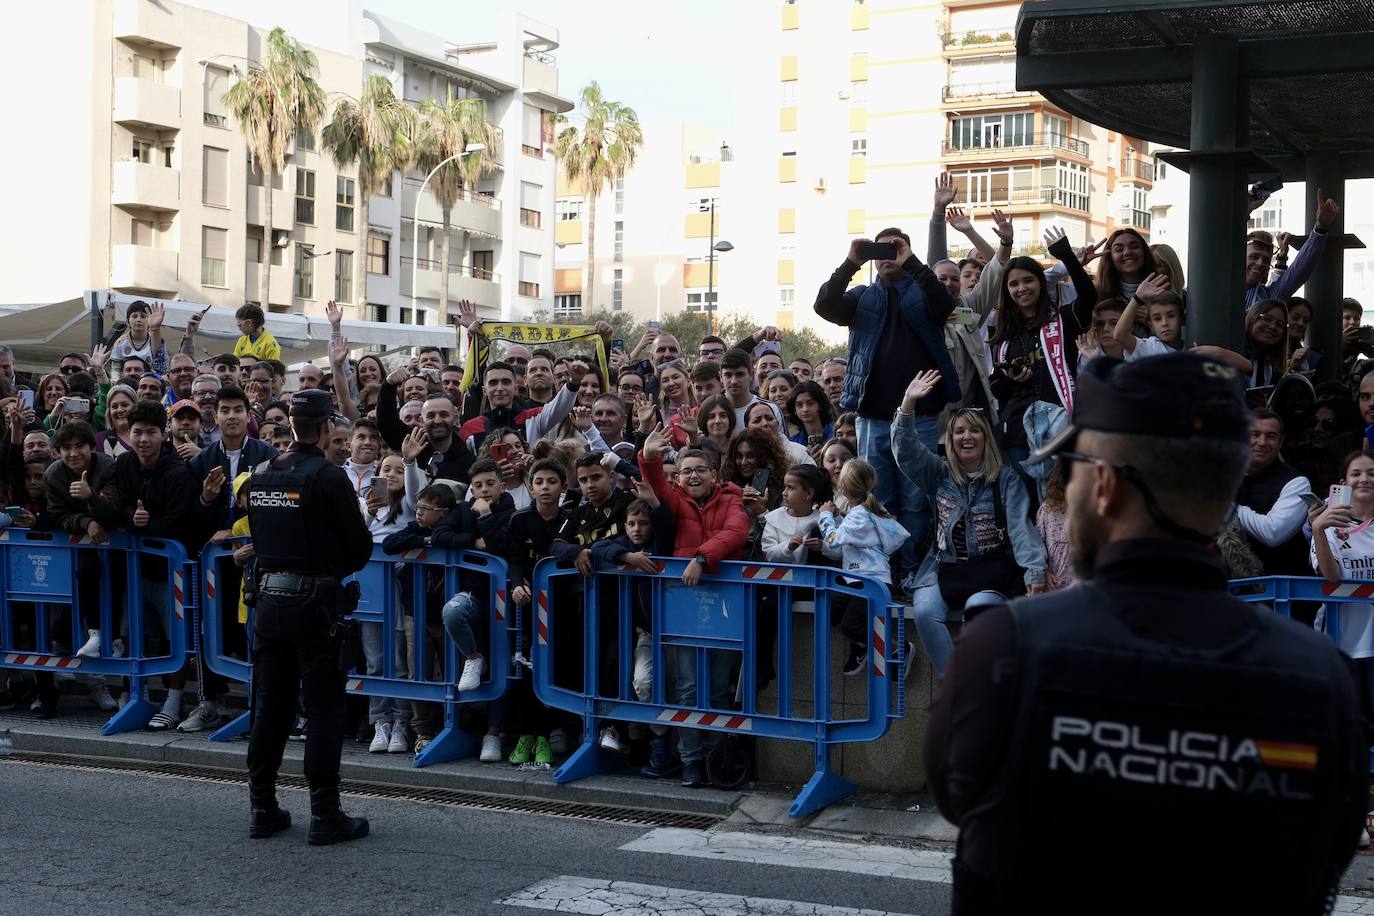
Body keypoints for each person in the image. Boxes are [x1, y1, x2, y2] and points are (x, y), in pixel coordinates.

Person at [925, 352, 1366, 912]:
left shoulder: (1002, 649)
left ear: (1104, 485)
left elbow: (957, 795)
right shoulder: (1318, 677)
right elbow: (1330, 841)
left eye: (1073, 473)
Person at [244, 388, 373, 845]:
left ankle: (262, 806)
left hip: (268, 604)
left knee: (271, 707)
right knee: (323, 710)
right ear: (323, 429)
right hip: (315, 608)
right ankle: (325, 813)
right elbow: (360, 549)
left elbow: (261, 539)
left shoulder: (258, 475)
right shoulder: (328, 476)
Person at [814, 227, 959, 585]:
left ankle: (909, 567)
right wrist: (851, 261)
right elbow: (824, 304)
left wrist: (912, 262)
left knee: (915, 497)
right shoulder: (863, 297)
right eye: (880, 250)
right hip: (872, 416)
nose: (887, 255)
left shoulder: (923, 293)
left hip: (920, 415)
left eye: (894, 249)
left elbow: (944, 306)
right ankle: (886, 570)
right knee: (878, 496)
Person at [893, 371, 1046, 677]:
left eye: (974, 431)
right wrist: (907, 405)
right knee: (924, 613)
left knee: (977, 611)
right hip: (942, 568)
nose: (966, 437)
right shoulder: (937, 473)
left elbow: (1020, 528)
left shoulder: (1006, 479)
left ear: (985, 438)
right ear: (950, 440)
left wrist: (1035, 572)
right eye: (959, 431)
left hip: (990, 572)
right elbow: (906, 452)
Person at [639, 425, 750, 787]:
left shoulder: (732, 499)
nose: (692, 476)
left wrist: (702, 558)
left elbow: (736, 532)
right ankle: (690, 758)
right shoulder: (675, 499)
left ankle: (716, 755)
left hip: (725, 609)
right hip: (685, 609)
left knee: (718, 685)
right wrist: (650, 455)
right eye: (685, 471)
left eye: (700, 469)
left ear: (714, 474)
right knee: (687, 686)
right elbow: (656, 485)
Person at [817, 460, 911, 673]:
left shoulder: (861, 513)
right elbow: (850, 538)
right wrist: (838, 517)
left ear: (843, 488)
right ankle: (861, 644)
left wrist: (824, 515)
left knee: (853, 625)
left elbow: (832, 539)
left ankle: (898, 648)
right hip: (855, 578)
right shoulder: (864, 510)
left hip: (871, 581)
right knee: (829, 610)